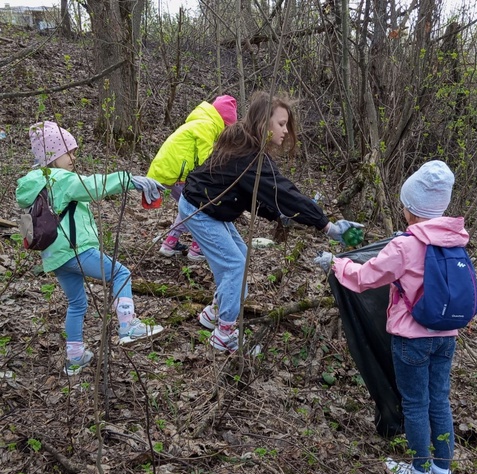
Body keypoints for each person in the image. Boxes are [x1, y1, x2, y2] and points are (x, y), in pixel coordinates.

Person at [315, 160, 462, 474]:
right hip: (446, 337)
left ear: (410, 209)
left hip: (412, 339)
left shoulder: (404, 246)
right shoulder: (455, 241)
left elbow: (366, 278)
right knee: (439, 402)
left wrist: (335, 263)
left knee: (414, 404)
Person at [178, 91, 363, 352]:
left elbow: (258, 195)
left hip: (207, 207)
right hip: (201, 209)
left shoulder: (246, 146)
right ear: (263, 123)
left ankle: (214, 314)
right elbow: (283, 192)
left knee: (238, 258)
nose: (286, 131)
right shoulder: (250, 156)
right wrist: (327, 226)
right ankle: (224, 334)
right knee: (235, 266)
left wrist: (279, 214)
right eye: (281, 123)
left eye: (286, 124)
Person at [16, 121, 166, 376]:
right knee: (121, 274)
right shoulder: (61, 179)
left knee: (77, 304)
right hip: (76, 250)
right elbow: (94, 186)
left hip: (55, 255)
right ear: (52, 155)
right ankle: (128, 325)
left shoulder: (39, 183)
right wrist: (130, 180)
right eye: (69, 152)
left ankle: (75, 357)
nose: (74, 157)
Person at [147, 95, 238, 260]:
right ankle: (196, 248)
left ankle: (170, 242)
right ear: (223, 122)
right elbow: (207, 158)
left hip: (168, 170)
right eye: (226, 127)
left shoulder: (201, 122)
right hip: (176, 173)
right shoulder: (207, 126)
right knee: (200, 205)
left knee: (189, 207)